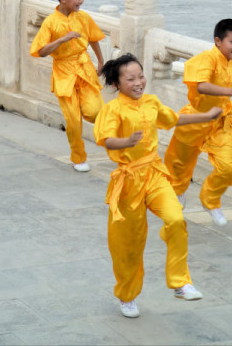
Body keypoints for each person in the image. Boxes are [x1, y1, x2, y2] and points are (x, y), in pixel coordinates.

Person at [93, 54, 222, 318]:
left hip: (154, 173)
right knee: (128, 245)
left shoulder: (151, 102)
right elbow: (106, 140)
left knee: (175, 218)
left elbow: (172, 119)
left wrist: (206, 115)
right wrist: (126, 142)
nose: (138, 82)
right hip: (128, 182)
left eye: (140, 76)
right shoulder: (113, 109)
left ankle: (180, 282)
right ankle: (127, 296)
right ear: (117, 84)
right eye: (130, 79)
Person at [163, 19, 232, 227]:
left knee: (230, 168)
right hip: (195, 119)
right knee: (179, 163)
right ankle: (177, 193)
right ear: (218, 41)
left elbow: (218, 92)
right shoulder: (206, 59)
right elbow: (202, 87)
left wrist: (229, 103)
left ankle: (210, 200)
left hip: (219, 122)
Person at [30, 0, 104, 172]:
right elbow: (41, 51)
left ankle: (113, 134)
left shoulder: (84, 17)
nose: (80, 1)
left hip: (84, 68)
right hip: (64, 72)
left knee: (95, 111)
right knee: (73, 122)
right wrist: (62, 40)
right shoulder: (50, 22)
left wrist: (101, 61)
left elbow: (94, 38)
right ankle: (78, 158)